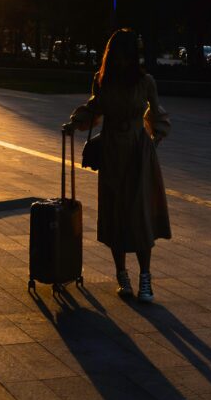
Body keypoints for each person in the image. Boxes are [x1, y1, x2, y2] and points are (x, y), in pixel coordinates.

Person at [64, 28, 171, 302]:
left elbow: (156, 113)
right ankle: (122, 275)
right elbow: (93, 108)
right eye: (119, 55)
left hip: (138, 152)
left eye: (128, 55)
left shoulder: (145, 81)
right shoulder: (103, 82)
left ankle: (145, 277)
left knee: (140, 213)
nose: (123, 61)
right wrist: (75, 123)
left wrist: (154, 140)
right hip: (113, 152)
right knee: (115, 212)